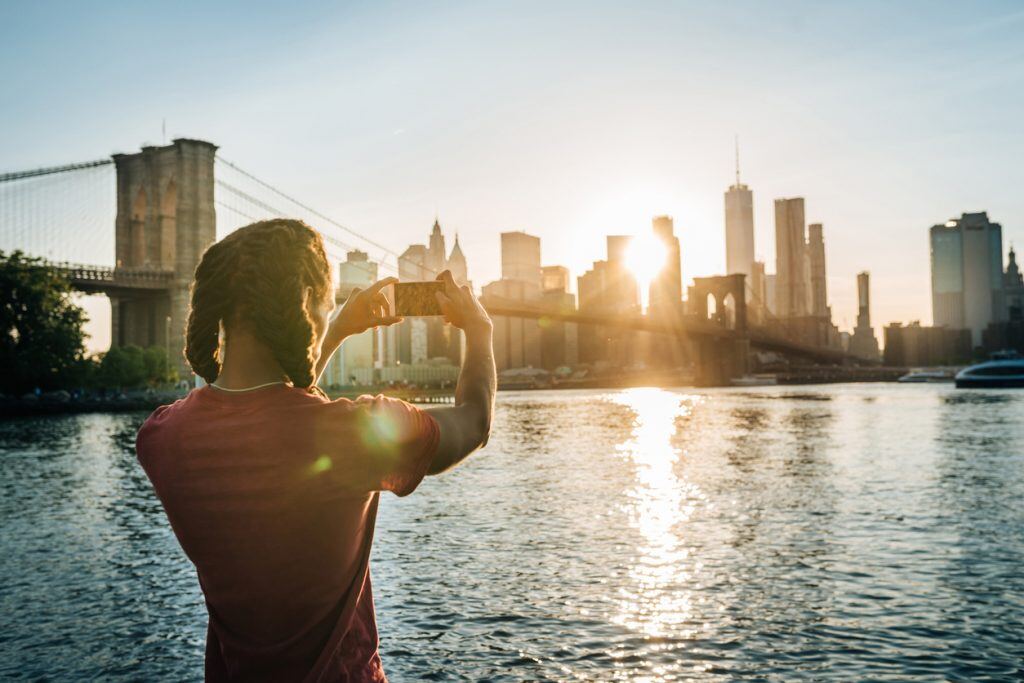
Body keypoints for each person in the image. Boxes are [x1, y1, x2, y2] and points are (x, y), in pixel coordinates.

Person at [135, 219, 496, 682]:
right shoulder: (354, 432)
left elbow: (274, 412)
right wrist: (480, 332)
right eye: (326, 302)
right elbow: (474, 422)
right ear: (306, 303)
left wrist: (341, 325)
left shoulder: (162, 438)